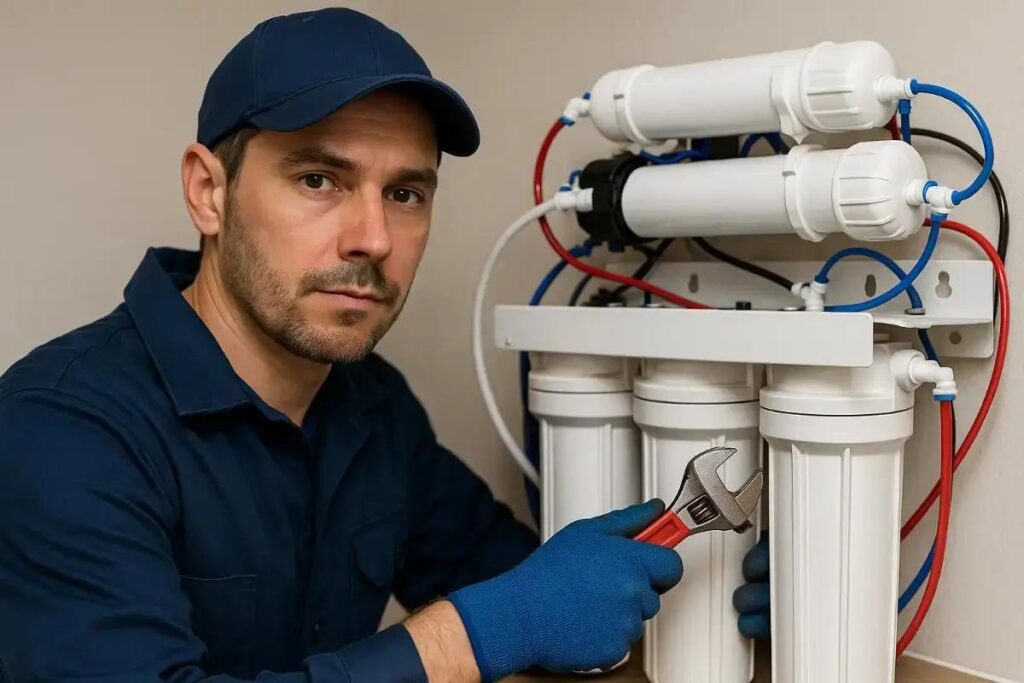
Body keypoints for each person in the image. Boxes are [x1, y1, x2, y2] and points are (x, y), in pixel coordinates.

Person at [0, 8, 767, 681]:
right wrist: (471, 635)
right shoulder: (60, 430)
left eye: (405, 194)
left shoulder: (372, 406)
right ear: (209, 191)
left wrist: (710, 575)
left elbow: (529, 588)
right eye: (318, 180)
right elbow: (498, 620)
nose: (371, 238)